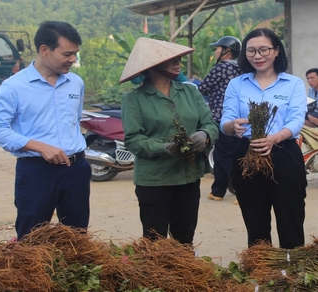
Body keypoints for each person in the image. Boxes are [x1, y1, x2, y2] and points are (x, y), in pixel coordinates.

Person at [0, 21, 89, 240]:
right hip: (36, 172)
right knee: (31, 237)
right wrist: (39, 146)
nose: (73, 59)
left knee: (77, 236)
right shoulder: (14, 87)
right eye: (67, 54)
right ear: (44, 50)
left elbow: (75, 120)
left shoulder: (75, 83)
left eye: (75, 54)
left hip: (76, 169)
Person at [120, 37, 219, 244]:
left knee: (184, 240)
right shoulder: (134, 99)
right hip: (154, 181)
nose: (178, 63)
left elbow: (210, 123)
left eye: (179, 59)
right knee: (154, 242)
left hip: (188, 177)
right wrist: (165, 148)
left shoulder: (191, 92)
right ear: (152, 65)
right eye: (170, 59)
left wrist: (206, 135)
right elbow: (133, 139)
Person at [220, 28, 307, 249]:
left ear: (276, 51)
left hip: (284, 152)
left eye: (263, 50)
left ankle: (293, 265)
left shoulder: (293, 83)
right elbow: (225, 121)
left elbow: (297, 120)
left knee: (291, 215)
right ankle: (261, 267)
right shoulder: (237, 84)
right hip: (246, 152)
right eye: (251, 51)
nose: (257, 56)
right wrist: (232, 126)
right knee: (254, 216)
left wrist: (275, 138)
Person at [198, 36, 242, 202]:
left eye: (218, 48)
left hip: (222, 117)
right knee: (231, 153)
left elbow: (203, 88)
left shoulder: (221, 68)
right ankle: (218, 190)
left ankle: (239, 189)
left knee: (223, 154)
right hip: (240, 118)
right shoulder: (242, 68)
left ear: (226, 51)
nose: (215, 51)